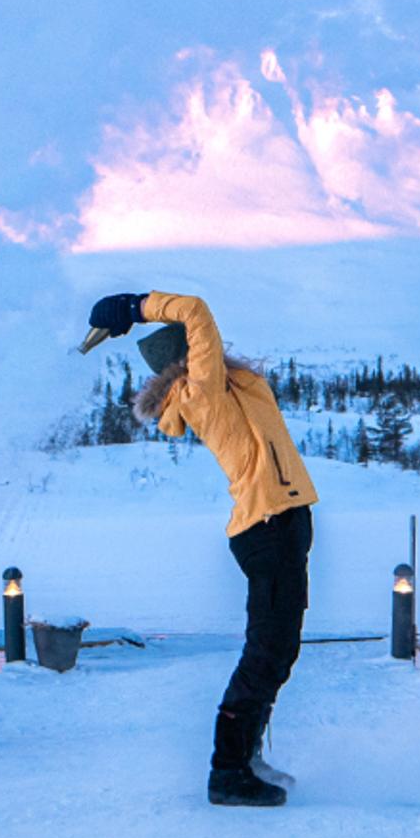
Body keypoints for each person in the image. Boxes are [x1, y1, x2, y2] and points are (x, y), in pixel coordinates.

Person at [81, 288, 318, 808]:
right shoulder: (203, 390)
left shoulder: (232, 389)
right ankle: (228, 771)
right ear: (187, 358)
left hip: (280, 524)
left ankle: (246, 758)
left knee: (278, 653)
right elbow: (197, 309)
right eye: (201, 347)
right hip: (269, 526)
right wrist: (136, 306)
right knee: (266, 654)